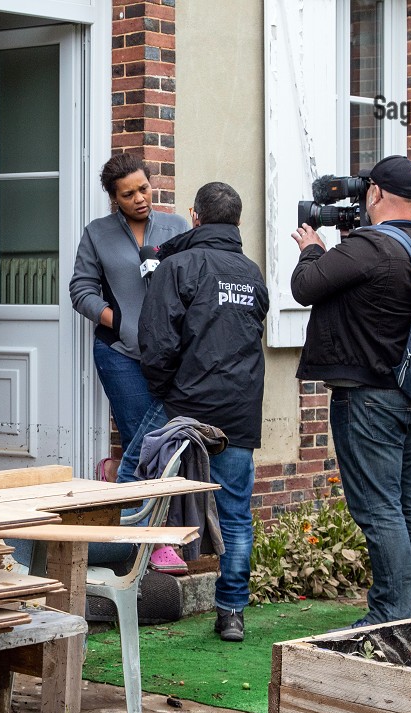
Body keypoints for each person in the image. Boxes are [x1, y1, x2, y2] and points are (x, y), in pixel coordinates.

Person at [290, 154, 411, 626]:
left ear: (374, 193)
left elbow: (306, 285)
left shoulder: (370, 246)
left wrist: (313, 247)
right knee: (408, 499)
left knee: (379, 508)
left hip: (368, 400)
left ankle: (388, 615)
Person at [137, 182, 269, 641]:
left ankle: (122, 584)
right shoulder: (251, 273)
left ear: (195, 217)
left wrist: (167, 394)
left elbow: (156, 342)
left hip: (185, 407)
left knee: (135, 486)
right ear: (237, 222)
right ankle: (231, 612)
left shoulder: (179, 266)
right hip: (240, 412)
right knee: (235, 514)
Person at [70, 153, 190, 573]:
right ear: (113, 199)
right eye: (128, 194)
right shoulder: (97, 234)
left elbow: (195, 279)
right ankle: (152, 540)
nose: (140, 198)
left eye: (144, 188)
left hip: (172, 353)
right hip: (120, 353)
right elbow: (81, 290)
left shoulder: (177, 227)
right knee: (149, 435)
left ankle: (132, 501)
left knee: (161, 441)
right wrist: (118, 321)